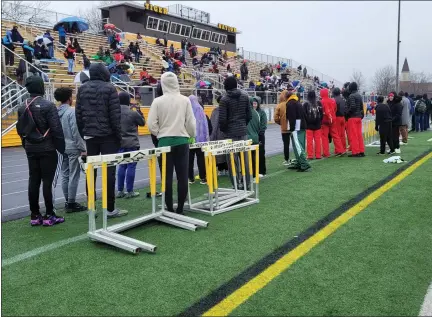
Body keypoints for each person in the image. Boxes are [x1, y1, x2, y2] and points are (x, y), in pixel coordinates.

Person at [75, 63, 127, 218]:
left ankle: (92, 208)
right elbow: (114, 117)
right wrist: (119, 137)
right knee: (109, 172)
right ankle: (110, 209)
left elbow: (78, 115)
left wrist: (84, 133)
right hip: (108, 137)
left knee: (91, 172)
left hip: (90, 136)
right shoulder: (110, 88)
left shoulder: (82, 89)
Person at [16, 76, 65, 226]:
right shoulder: (48, 106)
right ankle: (49, 214)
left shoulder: (22, 106)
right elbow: (56, 129)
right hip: (47, 148)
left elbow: (21, 130)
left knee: (33, 180)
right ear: (41, 87)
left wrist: (26, 145)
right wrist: (61, 148)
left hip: (30, 147)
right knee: (47, 181)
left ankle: (35, 215)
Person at [147, 72, 196, 214]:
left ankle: (168, 207)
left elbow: (151, 124)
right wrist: (190, 134)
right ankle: (180, 207)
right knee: (182, 176)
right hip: (182, 141)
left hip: (164, 142)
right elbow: (191, 123)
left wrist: (160, 134)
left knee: (166, 177)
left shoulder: (157, 101)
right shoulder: (185, 100)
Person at [54, 87, 88, 212]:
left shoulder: (56, 112)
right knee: (74, 175)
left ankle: (68, 200)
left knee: (65, 174)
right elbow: (76, 132)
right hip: (73, 147)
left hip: (62, 147)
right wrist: (82, 148)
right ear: (69, 98)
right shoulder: (71, 112)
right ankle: (71, 203)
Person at [219, 76, 252, 189]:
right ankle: (247, 183)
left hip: (230, 134)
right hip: (243, 131)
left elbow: (222, 120)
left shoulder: (224, 100)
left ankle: (236, 184)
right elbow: (249, 115)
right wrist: (243, 124)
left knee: (232, 161)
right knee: (245, 160)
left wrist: (225, 130)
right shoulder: (245, 97)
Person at [116, 92, 145, 198]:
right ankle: (130, 191)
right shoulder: (132, 113)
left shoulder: (115, 112)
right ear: (128, 101)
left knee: (122, 166)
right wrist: (138, 110)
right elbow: (142, 123)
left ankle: (120, 190)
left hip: (120, 143)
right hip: (132, 142)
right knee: (131, 166)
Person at [286, 89, 311, 172]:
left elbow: (292, 118)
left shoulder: (290, 104)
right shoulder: (298, 102)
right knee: (300, 145)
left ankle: (304, 164)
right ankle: (299, 162)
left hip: (297, 128)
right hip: (302, 126)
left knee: (297, 146)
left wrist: (292, 129)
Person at [188, 95, 209, 185]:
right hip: (201, 139)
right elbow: (205, 125)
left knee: (189, 160)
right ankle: (203, 177)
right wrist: (206, 137)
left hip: (190, 139)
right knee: (201, 159)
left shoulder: (187, 109)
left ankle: (190, 178)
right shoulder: (200, 109)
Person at [320, 88, 344, 157]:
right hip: (333, 119)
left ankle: (326, 153)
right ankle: (340, 150)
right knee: (335, 135)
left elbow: (322, 111)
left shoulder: (322, 101)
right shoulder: (332, 101)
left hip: (325, 121)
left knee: (324, 137)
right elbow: (335, 109)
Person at [210, 93, 229, 174]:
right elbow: (213, 124)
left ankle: (222, 169)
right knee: (223, 152)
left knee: (221, 152)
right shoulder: (218, 111)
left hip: (220, 135)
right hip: (222, 135)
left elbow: (213, 124)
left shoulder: (216, 111)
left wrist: (212, 136)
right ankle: (224, 169)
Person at [346, 82, 365, 157]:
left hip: (353, 117)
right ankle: (361, 151)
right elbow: (361, 107)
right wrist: (361, 115)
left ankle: (355, 152)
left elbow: (353, 107)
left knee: (353, 135)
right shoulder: (359, 95)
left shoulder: (351, 96)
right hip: (358, 117)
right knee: (359, 135)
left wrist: (347, 113)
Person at [304, 90, 323, 160]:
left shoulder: (306, 104)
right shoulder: (318, 103)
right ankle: (318, 155)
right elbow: (321, 114)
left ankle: (310, 155)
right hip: (317, 125)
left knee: (309, 141)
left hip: (309, 125)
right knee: (318, 140)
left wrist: (306, 122)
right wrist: (320, 122)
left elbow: (304, 115)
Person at [274, 90, 291, 165]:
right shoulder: (291, 103)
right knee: (296, 143)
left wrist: (281, 123)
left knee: (286, 144)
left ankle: (287, 159)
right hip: (293, 127)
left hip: (284, 129)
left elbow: (275, 118)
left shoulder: (280, 105)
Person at [252, 96, 267, 177]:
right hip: (252, 136)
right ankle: (253, 171)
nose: (254, 105)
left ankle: (261, 170)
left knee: (261, 153)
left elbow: (263, 124)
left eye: (255, 103)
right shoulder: (250, 112)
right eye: (253, 103)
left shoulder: (261, 112)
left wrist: (260, 133)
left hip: (260, 136)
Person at [247, 96, 261, 177]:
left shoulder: (244, 113)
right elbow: (259, 126)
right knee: (255, 157)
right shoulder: (256, 113)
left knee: (247, 158)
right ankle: (256, 173)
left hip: (247, 138)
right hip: (255, 137)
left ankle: (249, 173)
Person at [333, 87, 347, 153]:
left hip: (337, 118)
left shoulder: (334, 100)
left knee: (337, 135)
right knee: (342, 134)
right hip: (343, 118)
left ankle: (339, 150)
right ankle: (343, 148)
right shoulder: (343, 99)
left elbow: (334, 110)